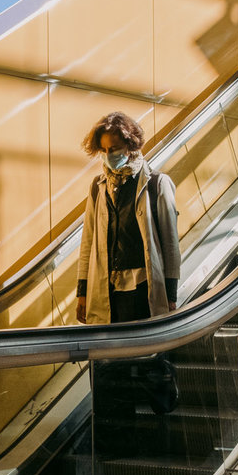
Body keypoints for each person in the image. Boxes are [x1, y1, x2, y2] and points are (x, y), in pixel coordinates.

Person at [75, 112, 181, 325]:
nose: (108, 155)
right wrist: (82, 291)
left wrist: (171, 295)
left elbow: (170, 245)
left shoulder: (157, 184)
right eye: (103, 150)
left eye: (113, 149)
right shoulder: (99, 186)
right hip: (107, 288)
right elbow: (88, 242)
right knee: (110, 351)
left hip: (143, 286)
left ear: (130, 146)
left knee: (141, 351)